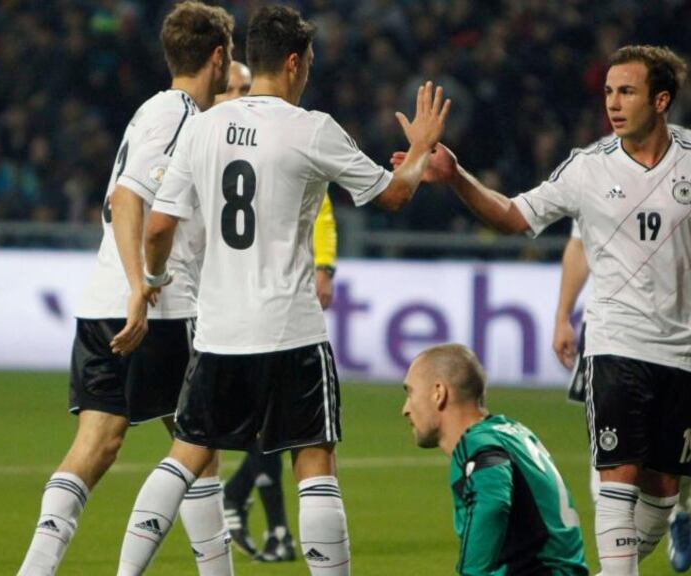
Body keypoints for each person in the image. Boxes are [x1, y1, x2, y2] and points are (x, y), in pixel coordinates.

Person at [394, 45, 691, 576]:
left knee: (661, 495)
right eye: (608, 92)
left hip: (678, 352)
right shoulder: (588, 168)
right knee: (617, 478)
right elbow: (513, 215)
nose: (613, 104)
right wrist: (458, 175)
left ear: (661, 99)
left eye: (627, 92)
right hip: (614, 347)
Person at [115, 5, 450, 575]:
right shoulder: (312, 129)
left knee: (184, 459)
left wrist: (151, 281)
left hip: (220, 331)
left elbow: (158, 227)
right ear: (294, 62)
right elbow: (394, 195)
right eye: (310, 61)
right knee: (314, 461)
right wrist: (418, 152)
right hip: (291, 329)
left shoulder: (203, 127)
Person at [15, 3, 236, 575]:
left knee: (95, 448)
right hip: (159, 308)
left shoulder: (149, 111)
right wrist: (146, 285)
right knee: (199, 451)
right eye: (229, 58)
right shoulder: (181, 115)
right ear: (217, 57)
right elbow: (128, 198)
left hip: (101, 299)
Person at [213, 60, 341, 562]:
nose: (241, 96)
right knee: (223, 440)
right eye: (231, 88)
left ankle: (273, 525)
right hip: (223, 309)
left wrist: (324, 263)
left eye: (246, 87)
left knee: (261, 429)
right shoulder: (209, 138)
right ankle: (246, 512)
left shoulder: (283, 137)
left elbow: (322, 206)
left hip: (264, 307)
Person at [553, 222, 691, 572]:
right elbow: (580, 243)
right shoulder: (595, 169)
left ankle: (680, 510)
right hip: (607, 331)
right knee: (605, 446)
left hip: (666, 334)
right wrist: (562, 316)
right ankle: (618, 561)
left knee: (673, 444)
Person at [401, 343, 589, 576]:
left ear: (438, 393)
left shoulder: (478, 445)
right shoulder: (512, 431)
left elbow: (492, 501)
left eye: (410, 392)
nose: (405, 408)